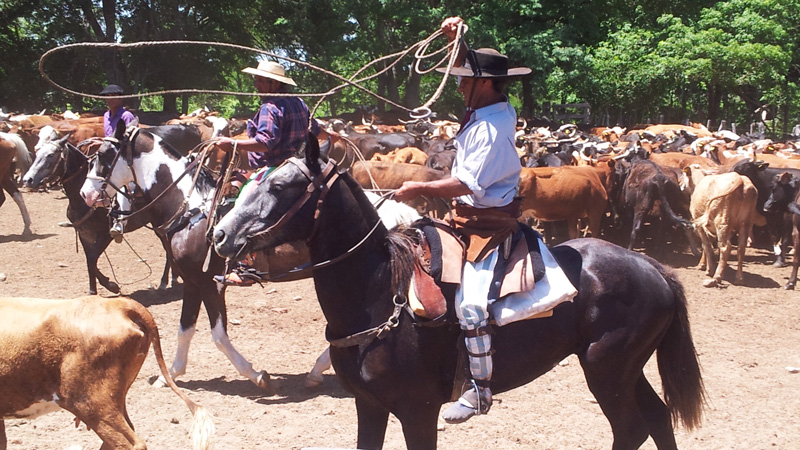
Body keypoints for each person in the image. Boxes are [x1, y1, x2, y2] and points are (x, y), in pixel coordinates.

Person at [393, 16, 531, 424]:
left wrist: (418, 189)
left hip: (486, 223)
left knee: (471, 304)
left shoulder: (490, 126)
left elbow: (466, 184)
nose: (458, 85)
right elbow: (479, 73)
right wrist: (460, 41)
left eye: (465, 79)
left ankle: (479, 389)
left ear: (484, 84)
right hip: (467, 217)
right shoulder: (493, 107)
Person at [214, 60, 321, 286]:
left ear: (274, 84)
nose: (256, 83)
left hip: (277, 169)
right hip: (301, 168)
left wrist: (233, 144)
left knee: (243, 205)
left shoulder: (269, 108)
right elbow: (316, 130)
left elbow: (265, 142)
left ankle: (245, 266)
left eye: (261, 80)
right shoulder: (300, 103)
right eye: (257, 79)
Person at [100, 84, 137, 242]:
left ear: (120, 98)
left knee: (123, 185)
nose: (109, 99)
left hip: (124, 158)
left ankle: (120, 222)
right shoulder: (105, 116)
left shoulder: (127, 116)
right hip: (110, 157)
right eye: (107, 96)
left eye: (112, 96)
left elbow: (130, 140)